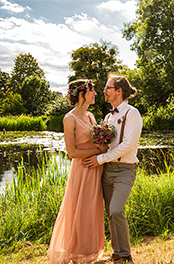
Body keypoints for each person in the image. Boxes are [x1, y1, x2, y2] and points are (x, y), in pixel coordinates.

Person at [83, 73, 142, 264]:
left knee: (117, 210)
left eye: (108, 88)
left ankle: (126, 254)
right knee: (110, 212)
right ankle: (117, 252)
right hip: (107, 170)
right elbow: (106, 145)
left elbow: (127, 145)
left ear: (119, 91)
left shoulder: (132, 114)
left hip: (125, 169)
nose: (104, 91)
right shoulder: (108, 116)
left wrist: (99, 159)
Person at [48, 79, 107, 264]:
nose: (95, 93)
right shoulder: (69, 118)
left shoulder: (90, 116)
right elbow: (72, 152)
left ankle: (89, 251)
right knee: (80, 209)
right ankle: (74, 251)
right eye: (92, 90)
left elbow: (97, 141)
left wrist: (104, 145)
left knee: (92, 210)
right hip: (82, 169)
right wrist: (98, 152)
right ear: (82, 94)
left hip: (95, 168)